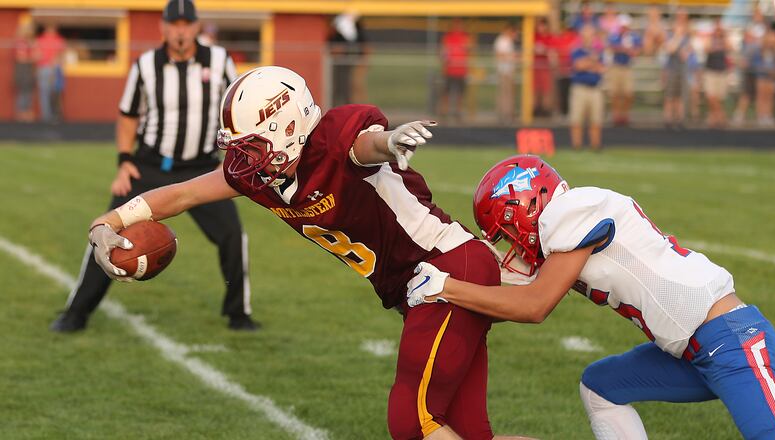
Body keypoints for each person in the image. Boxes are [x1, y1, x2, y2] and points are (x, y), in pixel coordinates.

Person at [84, 65, 533, 440]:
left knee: (412, 422)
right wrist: (109, 222)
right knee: (470, 433)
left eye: (252, 146)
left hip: (449, 267)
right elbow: (182, 195)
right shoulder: (260, 177)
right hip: (423, 284)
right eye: (239, 148)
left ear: (289, 126)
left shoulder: (333, 143)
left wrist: (390, 140)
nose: (243, 161)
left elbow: (365, 146)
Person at [406, 154, 775, 439]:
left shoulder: (570, 212)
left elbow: (534, 306)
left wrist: (445, 287)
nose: (513, 248)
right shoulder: (570, 230)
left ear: (523, 205)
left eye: (506, 233)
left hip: (733, 342)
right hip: (692, 352)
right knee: (602, 386)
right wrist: (455, 291)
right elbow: (516, 298)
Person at [50, 0, 259, 333]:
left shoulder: (219, 61)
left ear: (196, 27)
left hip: (202, 167)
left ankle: (239, 314)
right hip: (151, 165)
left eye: (186, 24)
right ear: (163, 28)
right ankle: (77, 312)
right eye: (173, 25)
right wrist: (124, 162)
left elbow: (235, 105)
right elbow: (129, 116)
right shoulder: (146, 65)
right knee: (109, 231)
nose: (180, 31)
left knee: (233, 235)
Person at [569, 25, 605, 150]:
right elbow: (578, 65)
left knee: (596, 120)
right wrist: (592, 62)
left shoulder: (598, 53)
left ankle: (595, 145)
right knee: (577, 119)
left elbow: (601, 69)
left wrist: (588, 64)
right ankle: (576, 146)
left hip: (594, 88)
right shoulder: (577, 51)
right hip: (580, 88)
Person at [606, 14, 641, 126]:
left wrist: (627, 50)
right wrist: (625, 49)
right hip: (616, 66)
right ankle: (616, 115)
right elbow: (612, 47)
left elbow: (637, 50)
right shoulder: (614, 36)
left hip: (627, 67)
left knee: (628, 93)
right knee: (615, 93)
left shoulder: (633, 37)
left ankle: (625, 114)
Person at [662, 9, 692, 129]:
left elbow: (687, 53)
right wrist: (678, 36)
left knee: (680, 96)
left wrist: (685, 50)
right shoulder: (671, 35)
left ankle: (680, 119)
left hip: (682, 69)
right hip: (671, 69)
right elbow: (670, 49)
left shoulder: (688, 36)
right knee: (670, 96)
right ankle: (668, 119)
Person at [440, 18, 471, 123]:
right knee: (447, 92)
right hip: (450, 70)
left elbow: (469, 50)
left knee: (460, 94)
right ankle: (444, 112)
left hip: (461, 70)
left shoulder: (465, 38)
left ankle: (457, 113)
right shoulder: (448, 37)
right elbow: (443, 53)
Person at [34, 24, 65, 122]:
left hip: (45, 68)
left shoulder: (40, 40)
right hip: (51, 68)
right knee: (51, 92)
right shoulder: (58, 40)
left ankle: (48, 115)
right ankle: (50, 116)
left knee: (47, 93)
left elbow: (37, 55)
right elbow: (60, 56)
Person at [703, 19, 731, 128]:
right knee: (711, 96)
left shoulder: (725, 39)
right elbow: (707, 49)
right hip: (711, 71)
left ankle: (714, 118)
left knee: (719, 97)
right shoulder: (710, 38)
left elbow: (730, 47)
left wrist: (724, 38)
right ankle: (721, 116)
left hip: (721, 71)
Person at [494, 22, 518, 123]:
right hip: (504, 71)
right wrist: (513, 57)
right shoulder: (502, 41)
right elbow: (500, 55)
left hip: (509, 71)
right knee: (504, 94)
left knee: (509, 94)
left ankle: (509, 114)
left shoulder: (508, 41)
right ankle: (504, 115)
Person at [13, 20, 36, 122]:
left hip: (28, 69)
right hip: (22, 69)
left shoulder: (29, 42)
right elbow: (20, 58)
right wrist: (32, 58)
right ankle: (21, 114)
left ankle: (26, 113)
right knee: (23, 92)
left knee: (28, 92)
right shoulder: (20, 41)